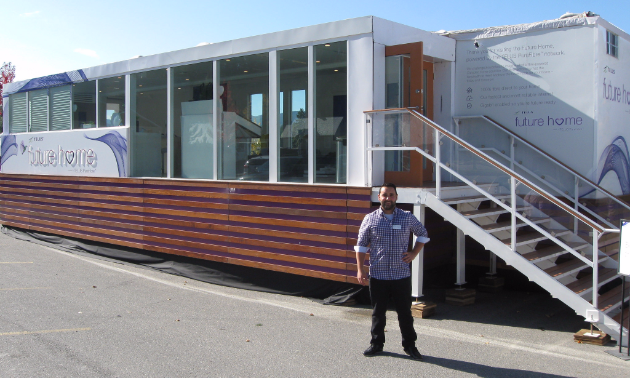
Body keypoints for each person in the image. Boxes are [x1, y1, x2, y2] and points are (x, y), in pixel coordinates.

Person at [355, 183, 429, 360]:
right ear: (379, 197)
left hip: (400, 275)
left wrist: (413, 253)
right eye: (384, 195)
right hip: (378, 275)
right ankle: (376, 344)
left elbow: (423, 234)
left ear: (396, 197)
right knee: (378, 312)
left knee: (405, 313)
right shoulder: (370, 219)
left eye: (391, 195)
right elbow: (361, 245)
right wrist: (360, 269)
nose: (387, 198)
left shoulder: (407, 217)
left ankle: (410, 345)